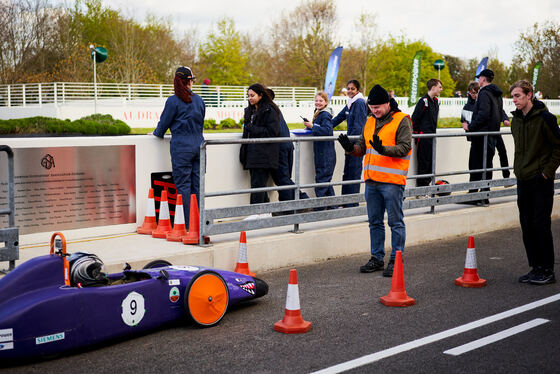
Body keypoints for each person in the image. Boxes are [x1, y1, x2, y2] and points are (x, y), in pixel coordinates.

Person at [337, 84, 412, 277]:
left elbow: (404, 147)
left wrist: (384, 149)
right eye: (372, 107)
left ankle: (396, 260)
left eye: (378, 107)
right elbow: (362, 147)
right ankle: (377, 258)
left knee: (395, 222)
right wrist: (350, 148)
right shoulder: (370, 120)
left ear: (388, 103)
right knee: (375, 222)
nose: (375, 110)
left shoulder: (402, 120)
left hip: (392, 181)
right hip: (371, 181)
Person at [510, 80, 560, 285]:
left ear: (529, 95)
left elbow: (558, 147)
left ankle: (548, 270)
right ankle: (535, 267)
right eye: (513, 96)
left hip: (540, 180)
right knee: (527, 224)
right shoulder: (516, 121)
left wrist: (547, 173)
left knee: (541, 224)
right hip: (523, 179)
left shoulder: (545, 119)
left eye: (518, 96)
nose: (514, 100)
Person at [153, 66, 205, 225]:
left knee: (183, 187)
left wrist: (157, 133)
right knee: (198, 186)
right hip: (200, 145)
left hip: (182, 147)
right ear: (189, 81)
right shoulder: (199, 100)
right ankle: (200, 223)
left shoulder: (173, 101)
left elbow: (163, 124)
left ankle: (188, 225)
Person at [461, 69, 507, 205]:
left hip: (481, 135)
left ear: (483, 79)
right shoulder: (496, 94)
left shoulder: (484, 93)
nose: (478, 80)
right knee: (487, 165)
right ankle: (484, 195)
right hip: (491, 135)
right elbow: (498, 112)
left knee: (476, 165)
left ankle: (474, 196)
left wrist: (471, 126)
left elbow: (483, 114)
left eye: (479, 78)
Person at [266, 88, 309, 209]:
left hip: (281, 147)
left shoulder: (269, 109)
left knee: (282, 179)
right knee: (283, 179)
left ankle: (298, 203)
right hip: (286, 146)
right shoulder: (274, 108)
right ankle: (300, 201)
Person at [240, 83, 281, 205]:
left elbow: (272, 132)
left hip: (264, 155)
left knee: (258, 186)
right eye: (248, 96)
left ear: (261, 95)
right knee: (258, 185)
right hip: (252, 155)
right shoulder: (249, 111)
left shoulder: (270, 110)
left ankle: (256, 215)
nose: (250, 98)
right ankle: (263, 214)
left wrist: (252, 128)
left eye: (252, 95)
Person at [331, 80, 368, 206]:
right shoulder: (350, 102)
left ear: (358, 90)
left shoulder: (359, 103)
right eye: (348, 88)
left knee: (353, 174)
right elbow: (339, 118)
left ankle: (352, 204)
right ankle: (345, 201)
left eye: (352, 89)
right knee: (347, 174)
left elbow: (358, 127)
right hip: (350, 144)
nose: (350, 91)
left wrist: (351, 146)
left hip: (356, 145)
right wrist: (321, 127)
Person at [304, 91, 336, 201]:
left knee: (322, 181)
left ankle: (319, 208)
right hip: (322, 153)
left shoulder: (325, 115)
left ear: (326, 102)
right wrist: (309, 127)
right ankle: (333, 206)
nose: (318, 102)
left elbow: (327, 130)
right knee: (325, 181)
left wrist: (312, 126)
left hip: (326, 154)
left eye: (321, 101)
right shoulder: (318, 113)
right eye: (316, 100)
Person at [411, 78, 442, 188]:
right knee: (423, 164)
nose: (441, 89)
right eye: (439, 87)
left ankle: (427, 187)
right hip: (423, 138)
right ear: (433, 87)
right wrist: (418, 134)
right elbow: (414, 119)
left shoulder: (436, 101)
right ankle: (420, 190)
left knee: (430, 164)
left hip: (432, 137)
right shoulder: (423, 101)